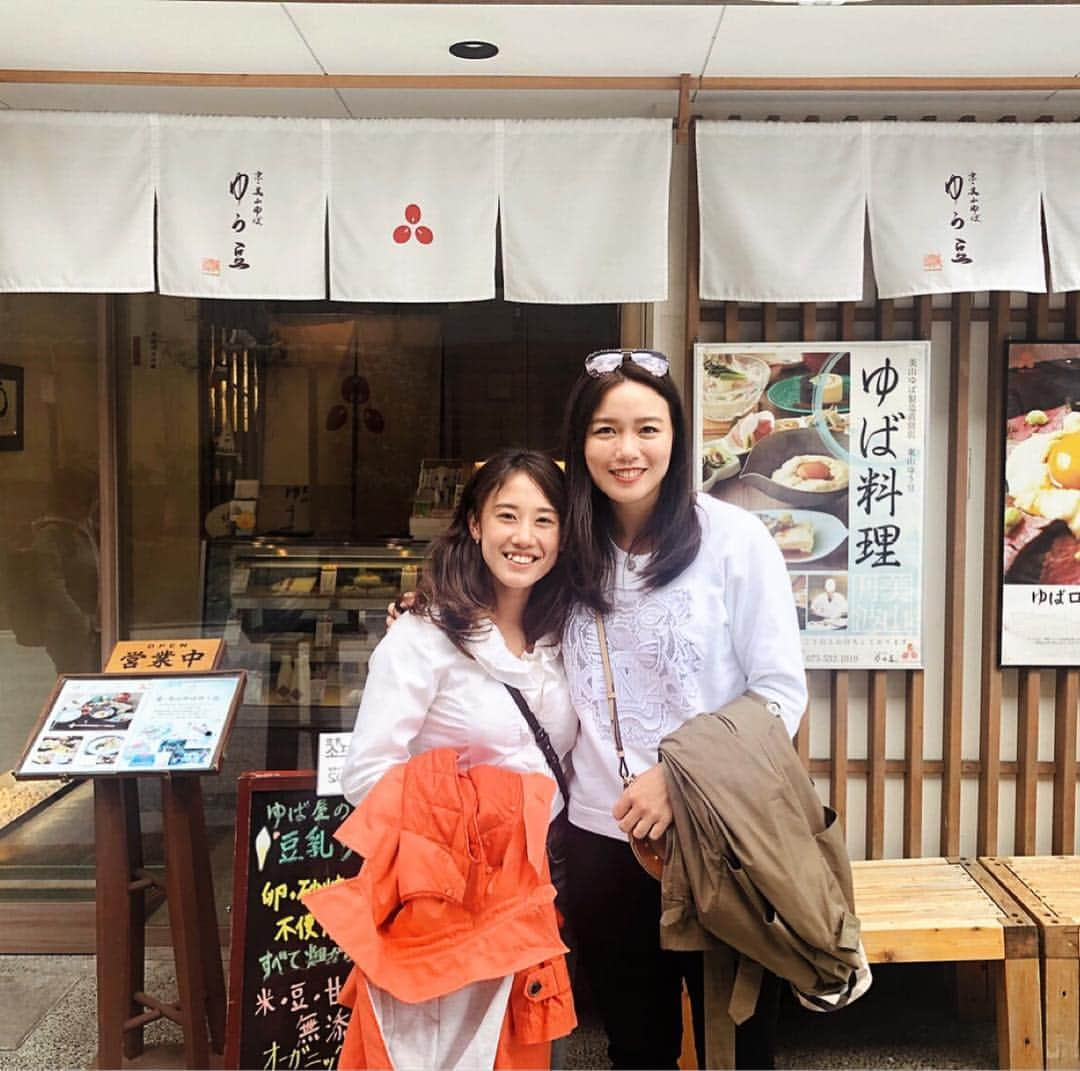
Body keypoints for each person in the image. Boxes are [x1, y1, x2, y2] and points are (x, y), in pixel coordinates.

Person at [559, 349, 808, 1071]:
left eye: (647, 427)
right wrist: (425, 611)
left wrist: (679, 775)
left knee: (740, 1043)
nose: (627, 449)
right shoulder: (565, 547)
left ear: (677, 435)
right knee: (635, 1046)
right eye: (606, 430)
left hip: (719, 832)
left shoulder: (735, 540)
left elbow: (779, 691)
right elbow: (499, 621)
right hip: (602, 838)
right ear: (579, 442)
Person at [332, 448, 579, 1069]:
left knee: (514, 1046)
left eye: (545, 520)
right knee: (432, 1049)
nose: (525, 538)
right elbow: (365, 775)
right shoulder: (424, 636)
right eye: (507, 516)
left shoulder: (565, 637)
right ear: (474, 524)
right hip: (443, 897)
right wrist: (472, 826)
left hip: (529, 891)